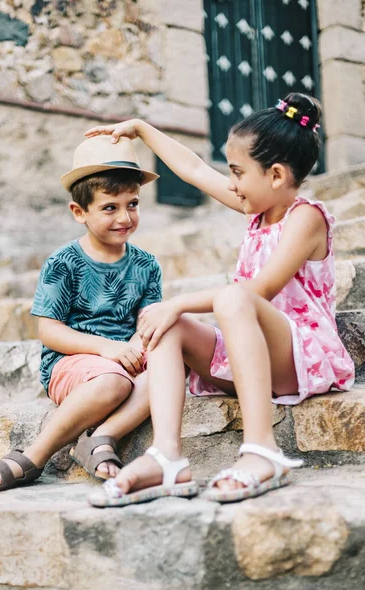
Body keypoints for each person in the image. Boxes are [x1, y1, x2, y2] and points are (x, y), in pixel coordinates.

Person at [84, 93, 355, 508]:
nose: (230, 183)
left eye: (238, 172)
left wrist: (179, 301)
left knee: (228, 298)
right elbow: (194, 169)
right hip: (249, 348)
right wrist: (141, 129)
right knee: (168, 327)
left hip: (299, 355)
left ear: (277, 175)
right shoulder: (258, 210)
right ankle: (167, 456)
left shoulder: (306, 218)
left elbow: (256, 292)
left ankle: (262, 449)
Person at [0, 135, 194, 496]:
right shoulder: (65, 263)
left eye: (133, 204)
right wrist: (108, 350)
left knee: (172, 369)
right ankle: (34, 456)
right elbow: (49, 331)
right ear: (79, 212)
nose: (125, 217)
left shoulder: (146, 264)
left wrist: (139, 345)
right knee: (114, 382)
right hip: (73, 363)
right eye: (110, 208)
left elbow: (148, 318)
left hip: (125, 361)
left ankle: (103, 436)